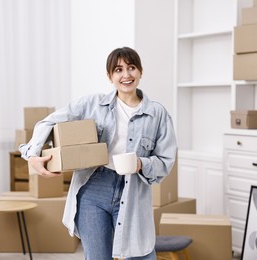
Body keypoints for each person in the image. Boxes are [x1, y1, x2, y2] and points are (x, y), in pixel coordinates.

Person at [19, 47, 177, 260]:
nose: (126, 75)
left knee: (140, 255)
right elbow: (49, 122)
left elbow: (165, 161)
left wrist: (140, 164)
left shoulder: (157, 113)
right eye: (118, 70)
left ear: (141, 71)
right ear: (110, 76)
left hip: (133, 191)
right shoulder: (92, 104)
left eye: (131, 68)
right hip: (93, 188)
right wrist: (32, 154)